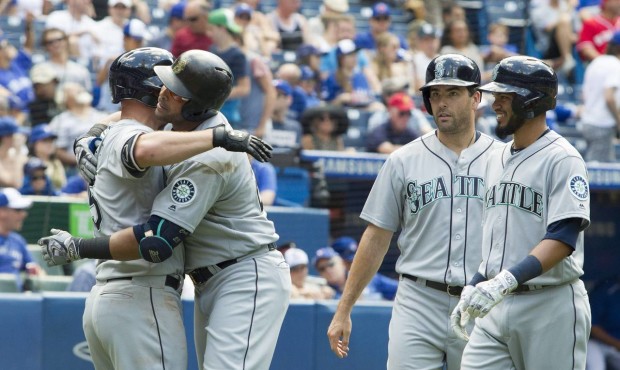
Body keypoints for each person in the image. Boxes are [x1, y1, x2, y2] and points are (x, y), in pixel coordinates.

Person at [39, 50, 289, 370]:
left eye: (175, 92)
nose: (163, 92)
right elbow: (132, 116)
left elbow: (156, 240)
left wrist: (79, 247)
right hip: (205, 278)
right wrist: (91, 134)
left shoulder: (210, 154)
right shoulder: (179, 124)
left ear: (197, 107)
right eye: (165, 84)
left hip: (243, 272)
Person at [327, 54, 500, 369]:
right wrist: (344, 309)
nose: (441, 103)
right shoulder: (403, 160)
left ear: (475, 98)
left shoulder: (504, 161)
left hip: (482, 302)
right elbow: (376, 236)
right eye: (435, 94)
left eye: (452, 93)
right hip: (419, 299)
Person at [451, 56, 591, 370]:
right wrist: (475, 283)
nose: (495, 104)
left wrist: (503, 281)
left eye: (504, 96)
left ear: (530, 102)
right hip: (496, 304)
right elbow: (498, 242)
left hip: (550, 305)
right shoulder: (494, 158)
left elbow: (563, 237)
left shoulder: (563, 158)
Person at [579, 31, 620, 162]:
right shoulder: (615, 65)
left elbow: (584, 94)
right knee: (597, 172)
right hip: (602, 125)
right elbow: (609, 96)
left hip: (588, 122)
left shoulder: (596, 62)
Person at [0, 187, 44, 291]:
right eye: (18, 210)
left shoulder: (18, 241)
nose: (24, 214)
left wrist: (36, 272)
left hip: (17, 302)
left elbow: (36, 270)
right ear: (2, 211)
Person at [331, 236, 398, 300]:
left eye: (355, 261)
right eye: (348, 262)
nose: (353, 265)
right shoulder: (331, 283)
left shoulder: (371, 277)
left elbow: (398, 288)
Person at [586, 275, 620, 370]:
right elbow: (593, 326)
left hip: (617, 350)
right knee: (595, 365)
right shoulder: (605, 290)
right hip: (600, 344)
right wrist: (616, 343)